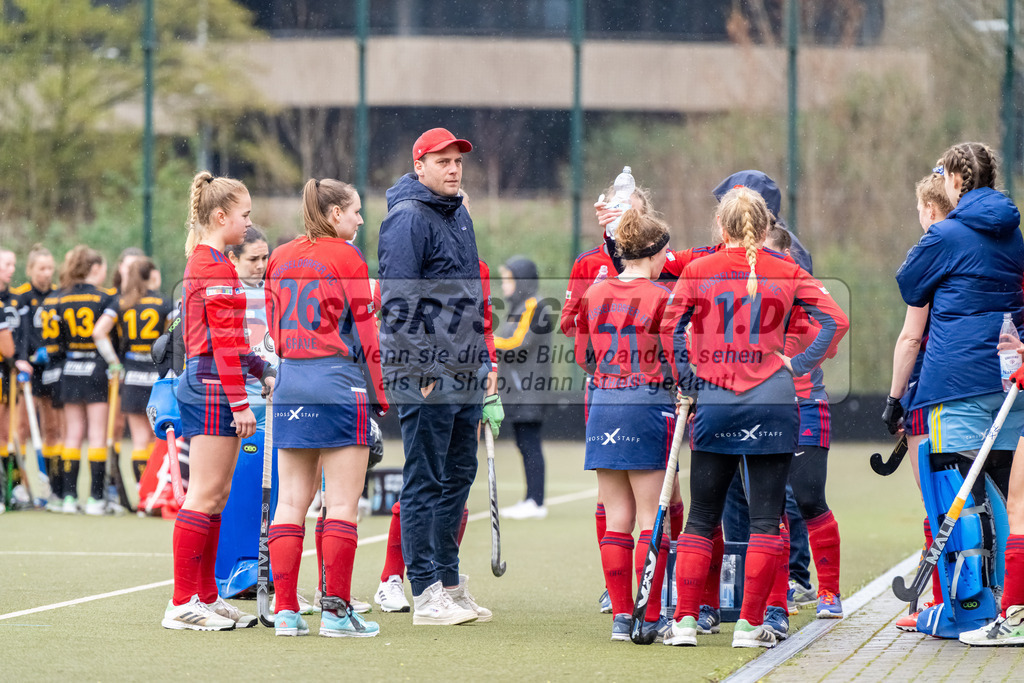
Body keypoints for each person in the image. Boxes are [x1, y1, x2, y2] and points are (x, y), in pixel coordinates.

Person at [661, 186, 848, 649]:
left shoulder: (698, 269)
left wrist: (687, 378)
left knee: (702, 518)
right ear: (766, 229)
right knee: (768, 519)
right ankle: (749, 627)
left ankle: (684, 623)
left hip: (716, 402)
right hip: (775, 401)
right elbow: (835, 320)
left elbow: (669, 327)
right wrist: (799, 364)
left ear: (721, 228)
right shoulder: (787, 270)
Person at [894, 142, 1024, 643]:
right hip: (1008, 379)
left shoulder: (945, 233)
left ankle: (966, 610)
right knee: (1003, 498)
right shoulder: (1014, 233)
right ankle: (1001, 606)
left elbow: (909, 284)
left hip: (955, 380)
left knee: (957, 498)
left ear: (952, 178)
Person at [377, 127, 499, 626]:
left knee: (457, 477)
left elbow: (468, 298)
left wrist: (484, 361)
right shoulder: (406, 218)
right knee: (425, 479)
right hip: (427, 373)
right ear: (420, 165)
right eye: (442, 161)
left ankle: (448, 582)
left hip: (465, 369)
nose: (453, 168)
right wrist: (425, 366)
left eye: (457, 161)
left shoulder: (459, 213)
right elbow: (397, 300)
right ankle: (425, 591)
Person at [265, 177, 387, 638]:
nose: (359, 218)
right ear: (335, 213)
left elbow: (276, 331)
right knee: (341, 504)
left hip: (292, 382)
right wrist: (380, 392)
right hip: (336, 382)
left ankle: (286, 612)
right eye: (355, 210)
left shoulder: (279, 256)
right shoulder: (347, 256)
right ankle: (336, 613)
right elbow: (367, 333)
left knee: (290, 502)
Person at [161, 171, 275, 632]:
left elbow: (230, 343)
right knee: (203, 496)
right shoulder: (211, 266)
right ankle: (181, 602)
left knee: (217, 496)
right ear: (221, 216)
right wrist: (240, 402)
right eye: (244, 215)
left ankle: (206, 595)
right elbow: (222, 348)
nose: (249, 223)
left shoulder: (216, 263)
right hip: (209, 388)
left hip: (213, 383)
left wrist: (262, 370)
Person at [574, 208, 677, 641]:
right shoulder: (662, 297)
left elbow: (584, 354)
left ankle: (620, 617)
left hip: (603, 402)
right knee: (654, 518)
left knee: (616, 516)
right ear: (653, 253)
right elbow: (676, 359)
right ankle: (649, 615)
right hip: (646, 404)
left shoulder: (594, 293)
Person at [883, 172, 954, 632]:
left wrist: (893, 400)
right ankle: (991, 595)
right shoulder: (990, 247)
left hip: (932, 391)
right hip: (990, 387)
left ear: (930, 210)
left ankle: (944, 600)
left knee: (938, 503)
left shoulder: (931, 253)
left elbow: (911, 338)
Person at [43, 246, 120, 515]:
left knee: (72, 434)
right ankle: (95, 499)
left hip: (70, 369)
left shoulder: (61, 298)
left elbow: (58, 339)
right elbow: (107, 335)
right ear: (95, 269)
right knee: (97, 434)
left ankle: (68, 497)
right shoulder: (107, 297)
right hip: (97, 368)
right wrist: (114, 363)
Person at [496, 256, 553, 520]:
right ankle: (531, 498)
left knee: (530, 443)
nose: (505, 284)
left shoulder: (534, 305)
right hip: (519, 390)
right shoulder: (520, 306)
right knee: (524, 443)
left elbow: (519, 342)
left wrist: (487, 340)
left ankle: (536, 501)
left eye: (509, 278)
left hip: (530, 389)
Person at [12, 245, 64, 509]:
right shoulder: (20, 297)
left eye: (49, 268)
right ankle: (19, 486)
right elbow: (17, 333)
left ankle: (53, 487)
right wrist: (25, 358)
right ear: (30, 270)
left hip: (51, 369)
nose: (46, 273)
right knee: (21, 428)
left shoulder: (57, 295)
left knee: (53, 428)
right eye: (41, 269)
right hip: (26, 372)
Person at [116, 257, 172, 484]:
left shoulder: (124, 303)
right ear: (152, 275)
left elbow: (100, 332)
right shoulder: (164, 303)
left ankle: (141, 490)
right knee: (154, 438)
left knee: (138, 439)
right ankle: (151, 492)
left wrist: (114, 360)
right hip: (156, 376)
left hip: (131, 375)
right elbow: (172, 337)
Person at [225, 226, 276, 428]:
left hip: (271, 399)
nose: (261, 266)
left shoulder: (274, 293)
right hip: (234, 400)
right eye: (253, 259)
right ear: (233, 258)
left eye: (265, 258)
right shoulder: (221, 293)